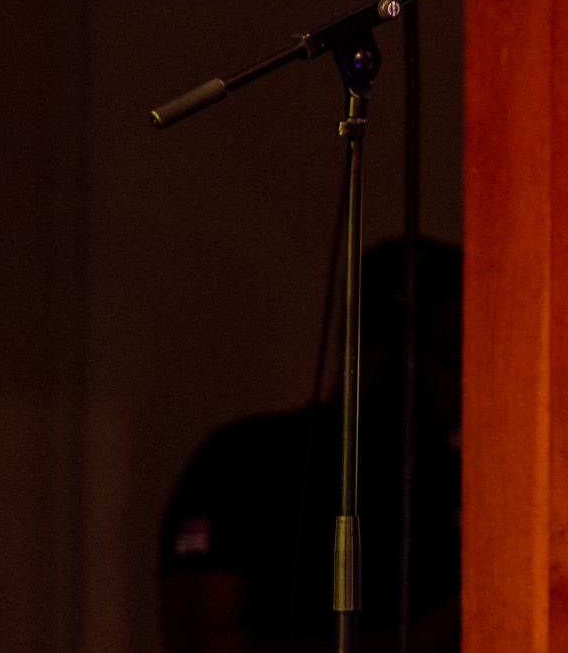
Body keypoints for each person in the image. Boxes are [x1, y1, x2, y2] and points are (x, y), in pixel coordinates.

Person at [159, 237, 463, 653]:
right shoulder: (249, 461)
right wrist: (422, 640)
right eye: (450, 355)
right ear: (380, 343)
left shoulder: (463, 482)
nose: (467, 380)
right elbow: (205, 641)